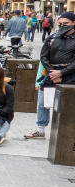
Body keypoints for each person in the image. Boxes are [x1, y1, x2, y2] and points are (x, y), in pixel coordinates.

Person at [26, 11, 75, 139]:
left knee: (65, 105)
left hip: (69, 77)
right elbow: (43, 56)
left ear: (73, 23)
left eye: (67, 23)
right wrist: (52, 72)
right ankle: (40, 130)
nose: (63, 26)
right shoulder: (52, 37)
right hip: (50, 75)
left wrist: (62, 72)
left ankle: (64, 132)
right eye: (61, 23)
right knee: (43, 103)